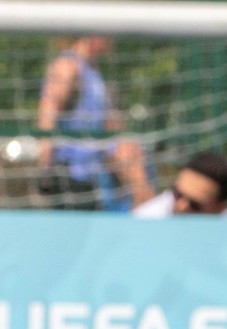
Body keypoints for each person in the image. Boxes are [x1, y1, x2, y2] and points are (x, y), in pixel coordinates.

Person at [35, 35, 155, 211]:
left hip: (93, 176)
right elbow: (47, 116)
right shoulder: (67, 66)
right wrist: (44, 167)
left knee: (130, 152)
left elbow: (106, 123)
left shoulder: (92, 71)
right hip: (71, 175)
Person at [131, 151, 227, 218]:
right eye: (177, 194)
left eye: (194, 205)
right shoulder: (146, 220)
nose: (181, 206)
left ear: (219, 208)